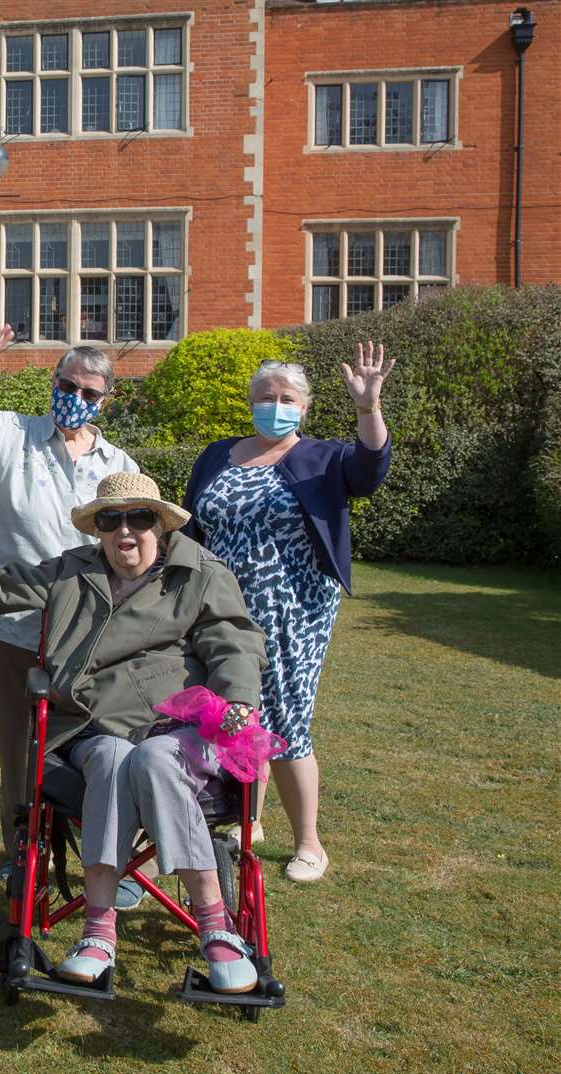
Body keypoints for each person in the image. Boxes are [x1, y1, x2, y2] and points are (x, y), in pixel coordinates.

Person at [0, 472, 269, 992]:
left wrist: (238, 698)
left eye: (139, 517)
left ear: (161, 523)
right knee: (107, 759)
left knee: (152, 759)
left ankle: (217, 932)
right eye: (111, 520)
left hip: (176, 725)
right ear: (98, 530)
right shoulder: (70, 573)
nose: (125, 531)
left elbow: (234, 643)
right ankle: (97, 934)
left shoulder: (199, 574)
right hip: (94, 725)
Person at [0, 333, 145, 907]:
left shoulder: (118, 466)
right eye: (65, 385)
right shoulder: (10, 433)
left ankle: (103, 857)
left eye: (87, 391)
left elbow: (137, 546)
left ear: (106, 401)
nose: (73, 396)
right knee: (20, 747)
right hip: (9, 627)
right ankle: (24, 854)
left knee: (96, 742)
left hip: (88, 635)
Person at [182, 342, 394, 883]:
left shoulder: (321, 457)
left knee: (287, 723)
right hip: (219, 607)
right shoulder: (218, 454)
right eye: (266, 396)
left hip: (292, 609)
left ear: (304, 406)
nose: (275, 405)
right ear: (250, 402)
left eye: (287, 398)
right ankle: (245, 820)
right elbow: (191, 526)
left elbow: (369, 470)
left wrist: (368, 408)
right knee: (230, 711)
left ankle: (309, 844)